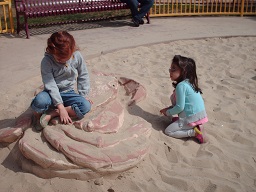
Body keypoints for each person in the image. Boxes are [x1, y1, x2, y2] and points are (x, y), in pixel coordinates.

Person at [30, 31, 92, 131]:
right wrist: (60, 106)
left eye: (65, 59)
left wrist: (84, 95)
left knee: (86, 106)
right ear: (52, 51)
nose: (62, 61)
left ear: (72, 50)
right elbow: (50, 84)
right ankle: (38, 118)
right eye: (59, 59)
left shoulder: (77, 56)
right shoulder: (46, 62)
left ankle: (53, 113)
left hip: (68, 92)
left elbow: (83, 75)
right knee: (39, 101)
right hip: (50, 93)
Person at [160, 55, 208, 144]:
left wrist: (167, 113)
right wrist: (169, 109)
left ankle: (194, 132)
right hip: (198, 116)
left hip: (190, 118)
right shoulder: (189, 83)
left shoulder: (181, 86)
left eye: (174, 69)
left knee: (168, 131)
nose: (170, 71)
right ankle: (186, 125)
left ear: (184, 71)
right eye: (170, 68)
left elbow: (179, 107)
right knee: (175, 121)